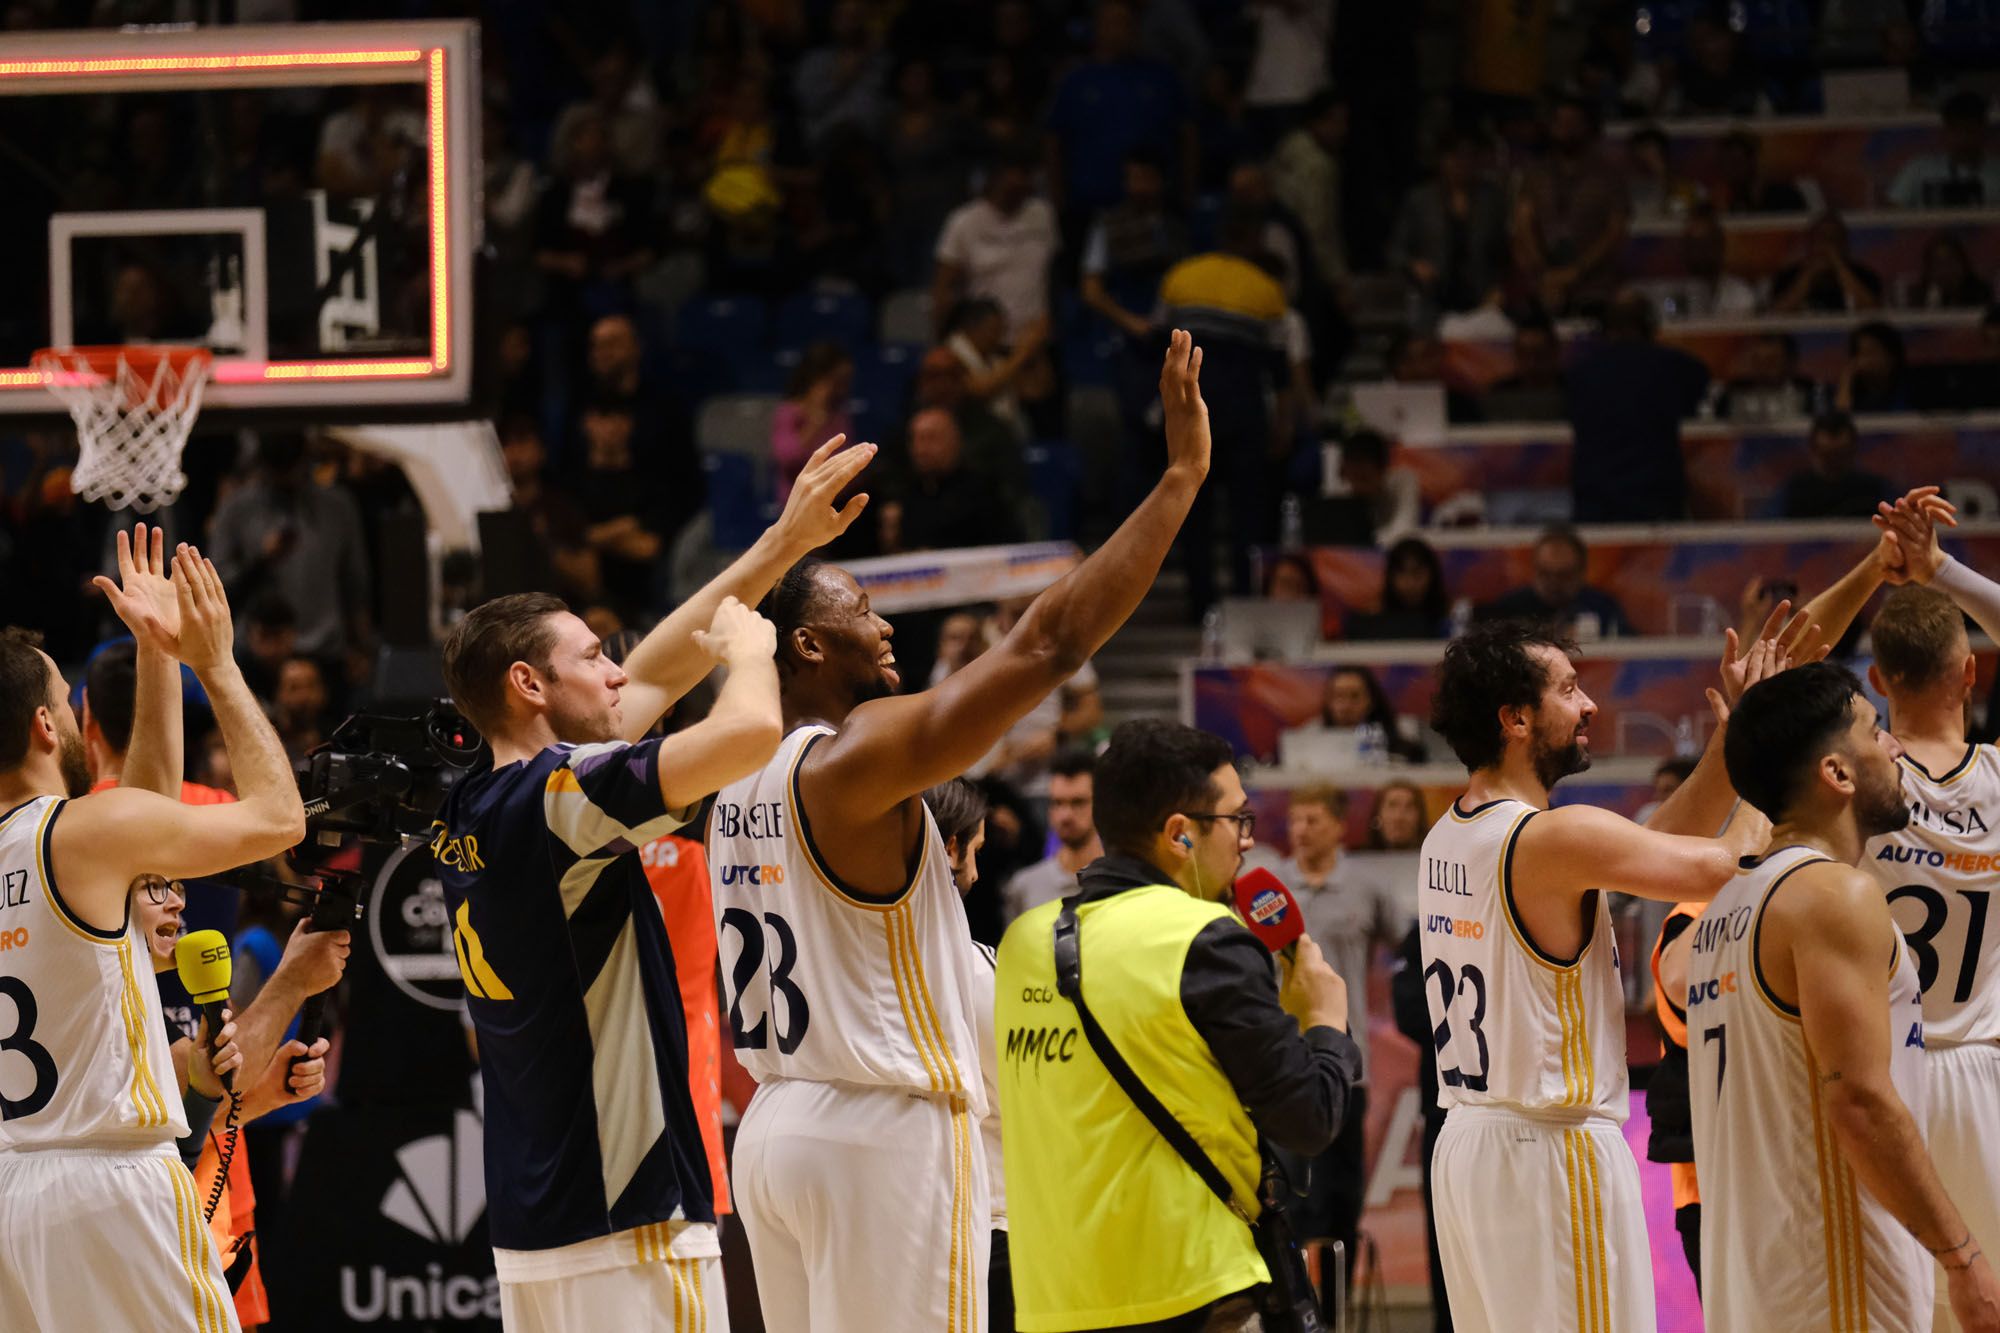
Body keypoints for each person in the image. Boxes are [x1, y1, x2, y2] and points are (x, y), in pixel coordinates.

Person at [708, 330, 1213, 1333]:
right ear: (805, 643)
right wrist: (1179, 478)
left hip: (772, 1126)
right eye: (861, 606)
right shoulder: (849, 759)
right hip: (875, 1128)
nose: (885, 622)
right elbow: (1049, 641)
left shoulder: (725, 775)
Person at [429, 440, 874, 1332]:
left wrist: (780, 544)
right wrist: (752, 649)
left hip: (537, 1227)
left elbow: (663, 667)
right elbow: (748, 732)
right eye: (593, 656)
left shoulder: (476, 802)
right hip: (626, 1221)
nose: (617, 672)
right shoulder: (563, 798)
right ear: (529, 685)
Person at [1419, 612, 1788, 1333]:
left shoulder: (1452, 833)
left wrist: (1726, 746)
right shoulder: (1550, 837)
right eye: (1568, 688)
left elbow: (1646, 846)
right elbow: (1725, 864)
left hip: (1469, 1148)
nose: (1589, 705)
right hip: (1550, 1151)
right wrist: (1763, 745)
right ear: (1516, 717)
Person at [0, 542, 306, 1332]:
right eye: (67, 704)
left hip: (13, 1190)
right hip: (109, 1181)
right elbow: (281, 818)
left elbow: (145, 805)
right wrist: (216, 662)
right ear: (43, 725)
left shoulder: (66, 843)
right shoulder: (83, 832)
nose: (74, 715)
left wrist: (156, 651)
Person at [995, 719, 1360, 1331]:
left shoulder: (1021, 942)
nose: (1247, 841)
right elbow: (1309, 1120)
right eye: (1237, 820)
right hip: (1189, 1288)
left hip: (1051, 1298)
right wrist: (1324, 1020)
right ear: (1179, 835)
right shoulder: (1203, 940)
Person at [1686, 663, 2000, 1331]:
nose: (1894, 746)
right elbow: (1858, 1100)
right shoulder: (1833, 895)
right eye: (1875, 729)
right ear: (1837, 773)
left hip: (1753, 1283)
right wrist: (1964, 1256)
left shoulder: (1722, 909)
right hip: (1831, 1281)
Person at [1843, 496, 2000, 1331]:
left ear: (1876, 681)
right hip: (1984, 1074)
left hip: (1887, 1079)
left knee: (1904, 1314)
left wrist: (1880, 566)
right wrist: (1942, 568)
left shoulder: (1851, 784)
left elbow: (1784, 673)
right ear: (1970, 671)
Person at [1278, 784, 1405, 1274]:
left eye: (1312, 820)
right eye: (1295, 820)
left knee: (1338, 1204)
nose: (1301, 830)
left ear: (1337, 826)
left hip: (1348, 1070)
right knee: (1284, 1204)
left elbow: (1409, 951)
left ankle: (1336, 1316)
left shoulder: (1365, 887)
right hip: (1281, 1068)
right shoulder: (1268, 891)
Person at [922, 777, 1011, 1333]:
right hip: (990, 1221)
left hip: (907, 1218)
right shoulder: (977, 971)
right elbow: (1026, 1099)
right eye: (973, 851)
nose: (975, 874)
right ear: (951, 847)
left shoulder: (853, 959)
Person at [1565, 291, 1711, 523]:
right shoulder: (1677, 366)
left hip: (1598, 504)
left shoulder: (1580, 373)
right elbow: (1695, 398)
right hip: (1655, 501)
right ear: (1650, 327)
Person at [1512, 96, 1630, 316]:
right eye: (1560, 122)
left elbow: (1616, 231)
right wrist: (1544, 271)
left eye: (1573, 122)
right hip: (1543, 282)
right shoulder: (1535, 173)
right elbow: (1523, 222)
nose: (1565, 129)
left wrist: (1577, 270)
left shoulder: (1609, 175)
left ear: (1588, 127)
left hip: (1595, 285)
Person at [933, 150, 1060, 343]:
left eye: (1025, 179)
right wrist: (940, 338)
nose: (1019, 186)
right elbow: (943, 288)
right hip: (986, 342)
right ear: (993, 179)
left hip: (1033, 339)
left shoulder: (1043, 215)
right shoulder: (963, 221)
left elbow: (1053, 274)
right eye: (1012, 182)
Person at [1388, 128, 1509, 322]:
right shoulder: (1420, 199)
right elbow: (1396, 251)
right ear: (1442, 159)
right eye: (1455, 156)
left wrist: (1500, 287)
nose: (1461, 164)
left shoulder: (1491, 199)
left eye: (1468, 156)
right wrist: (1415, 265)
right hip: (1432, 296)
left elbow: (1505, 252)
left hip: (1482, 297)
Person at [1477, 524, 1637, 640]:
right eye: (1545, 574)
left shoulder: (1603, 606)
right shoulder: (1509, 609)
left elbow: (1625, 647)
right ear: (1534, 569)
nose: (1553, 583)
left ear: (1581, 572)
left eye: (1563, 575)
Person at [1002, 749, 1103, 924]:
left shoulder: (1125, 883)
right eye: (1057, 803)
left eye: (1078, 802)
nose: (1065, 815)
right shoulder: (1024, 887)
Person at [772, 343, 855, 504]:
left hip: (834, 501)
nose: (843, 390)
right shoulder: (789, 412)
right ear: (818, 380)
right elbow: (788, 460)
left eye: (846, 382)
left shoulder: (839, 415)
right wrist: (816, 420)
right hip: (796, 504)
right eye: (838, 382)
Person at [1890, 90, 2000, 209]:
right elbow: (1892, 215)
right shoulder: (1918, 169)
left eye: (1970, 130)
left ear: (1984, 130)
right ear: (1945, 131)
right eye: (1957, 130)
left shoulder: (1997, 171)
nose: (1964, 138)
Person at [1782, 409, 1892, 519]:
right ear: (1813, 450)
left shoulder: (1869, 489)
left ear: (1853, 450)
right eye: (1827, 455)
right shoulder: (1799, 490)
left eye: (1840, 454)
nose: (1834, 462)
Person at [1770, 212, 1885, 315]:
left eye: (1834, 237)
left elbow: (1873, 311)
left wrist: (1837, 263)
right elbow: (1777, 312)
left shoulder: (1864, 275)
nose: (1827, 242)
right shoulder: (1789, 275)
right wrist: (1809, 273)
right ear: (1810, 242)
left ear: (1845, 244)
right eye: (1821, 236)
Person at [1349, 537, 1451, 641]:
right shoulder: (1369, 620)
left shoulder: (1451, 617)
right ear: (1390, 577)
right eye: (1402, 573)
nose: (1410, 583)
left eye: (1417, 573)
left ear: (1432, 575)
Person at [1912, 232, 1993, 310]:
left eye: (1950, 262)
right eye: (1938, 264)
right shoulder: (1920, 295)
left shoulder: (1979, 292)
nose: (1945, 270)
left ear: (1962, 263)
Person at [1366, 779, 1432, 851]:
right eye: (1392, 805)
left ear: (1419, 816)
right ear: (1378, 813)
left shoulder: (1435, 855)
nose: (1399, 817)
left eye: (1409, 807)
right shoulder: (1359, 857)